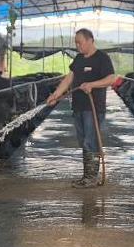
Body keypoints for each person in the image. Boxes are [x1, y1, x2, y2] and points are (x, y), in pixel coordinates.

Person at [46, 28, 116, 188]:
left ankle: (91, 178)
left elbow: (112, 78)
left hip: (93, 108)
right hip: (78, 106)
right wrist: (56, 95)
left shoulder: (102, 58)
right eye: (76, 43)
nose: (78, 46)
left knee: (90, 142)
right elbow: (69, 78)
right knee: (83, 141)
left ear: (90, 40)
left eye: (80, 42)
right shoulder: (78, 59)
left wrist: (92, 84)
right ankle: (87, 176)